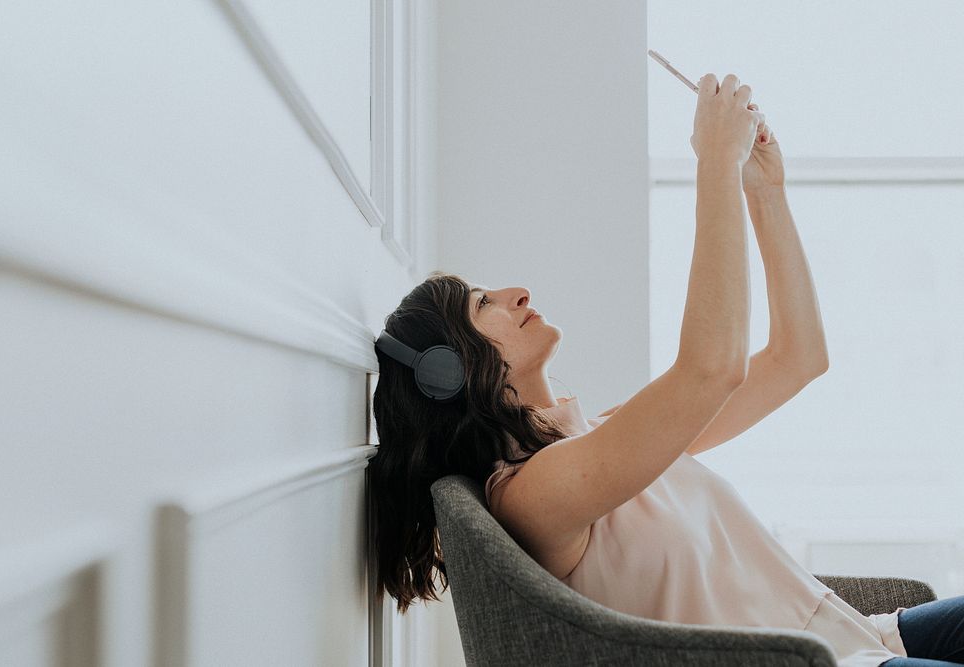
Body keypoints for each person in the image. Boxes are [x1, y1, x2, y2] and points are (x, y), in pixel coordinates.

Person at [367, 73, 964, 666]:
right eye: (481, 304)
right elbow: (711, 370)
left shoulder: (602, 435)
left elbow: (797, 359)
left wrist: (765, 191)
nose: (516, 293)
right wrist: (715, 160)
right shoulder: (533, 494)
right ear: (449, 372)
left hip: (862, 635)